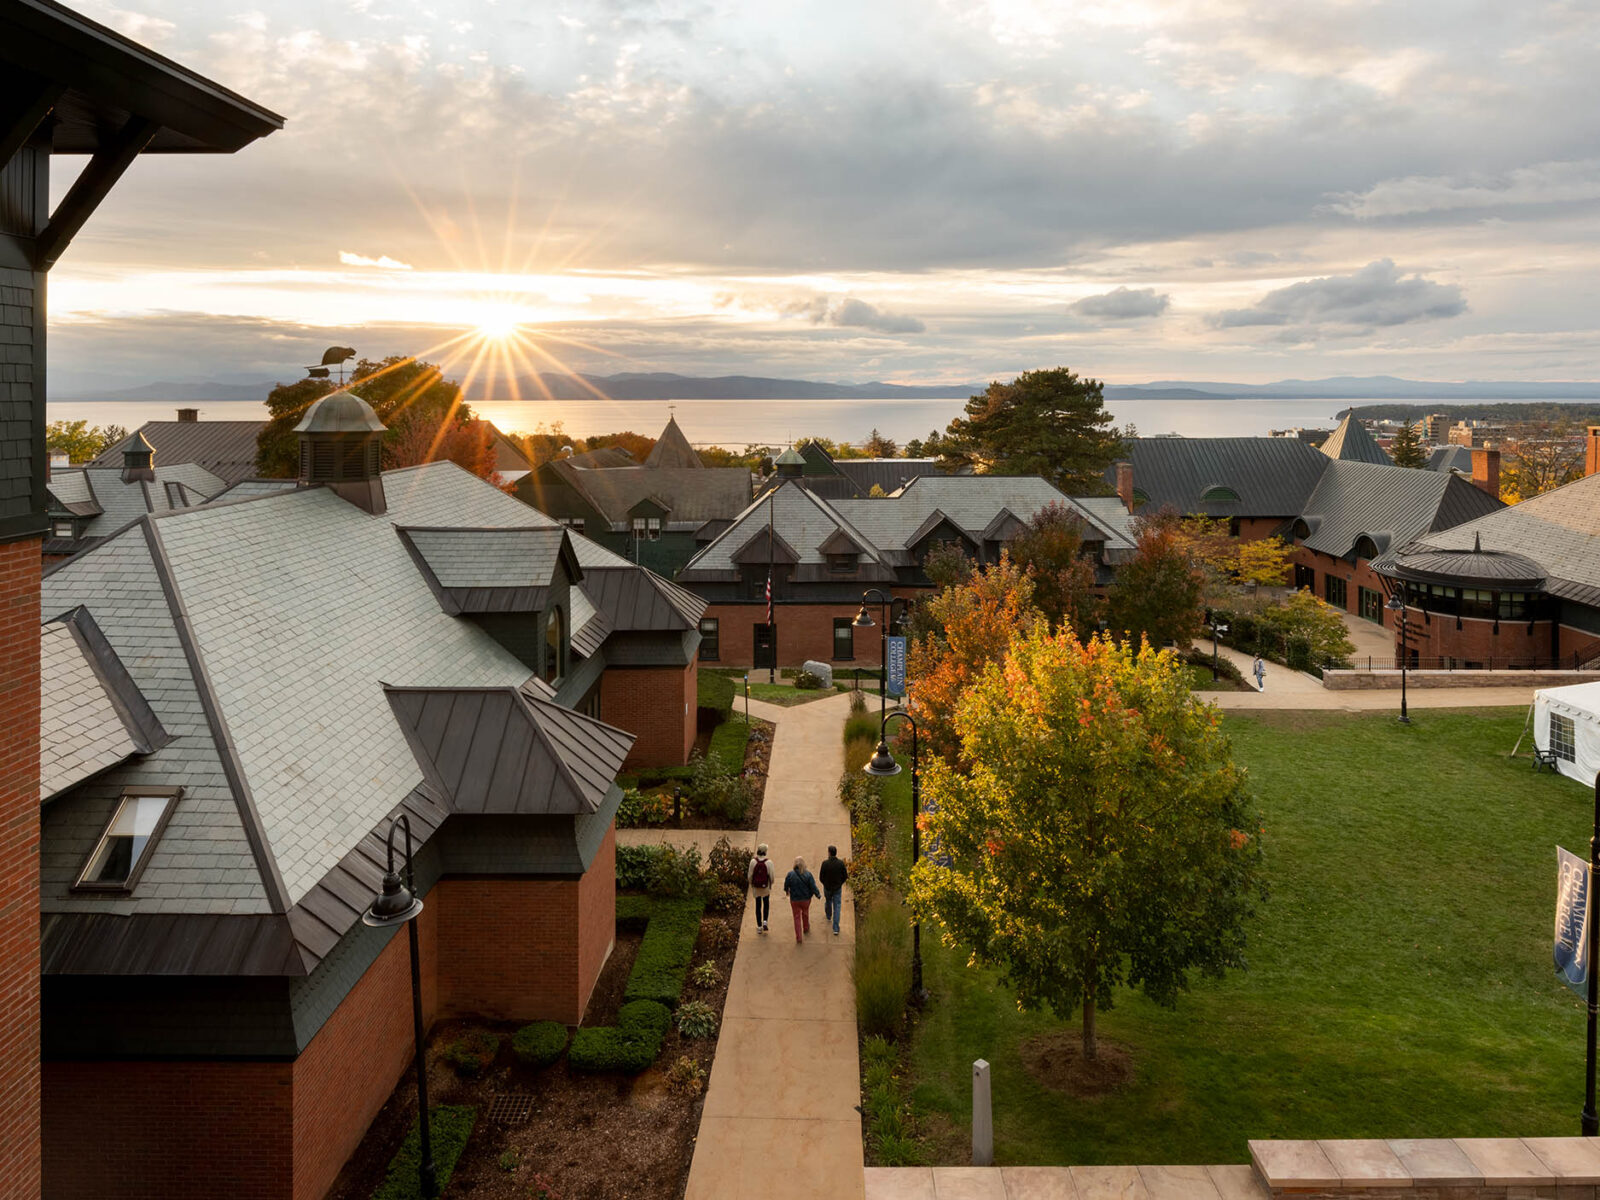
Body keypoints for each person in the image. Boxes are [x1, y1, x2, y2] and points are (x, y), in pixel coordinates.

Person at [783, 855, 822, 944]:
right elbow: (813, 886)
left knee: (796, 917)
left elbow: (786, 885)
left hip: (794, 900)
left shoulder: (790, 874)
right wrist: (818, 894)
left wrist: (787, 891)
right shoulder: (808, 874)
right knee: (805, 913)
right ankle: (806, 927)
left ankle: (799, 937)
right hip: (806, 899)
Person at [819, 845, 849, 936]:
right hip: (837, 888)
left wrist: (825, 884)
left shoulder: (825, 863)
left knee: (828, 901)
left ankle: (828, 915)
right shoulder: (840, 863)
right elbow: (845, 876)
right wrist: (840, 883)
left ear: (829, 853)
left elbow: (821, 877)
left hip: (827, 888)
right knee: (837, 906)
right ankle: (835, 928)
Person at [747, 843, 774, 933]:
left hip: (756, 887)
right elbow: (772, 876)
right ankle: (765, 921)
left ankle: (759, 927)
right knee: (766, 904)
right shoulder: (769, 862)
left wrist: (751, 883)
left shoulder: (753, 862)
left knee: (758, 906)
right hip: (765, 887)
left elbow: (750, 875)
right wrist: (771, 883)